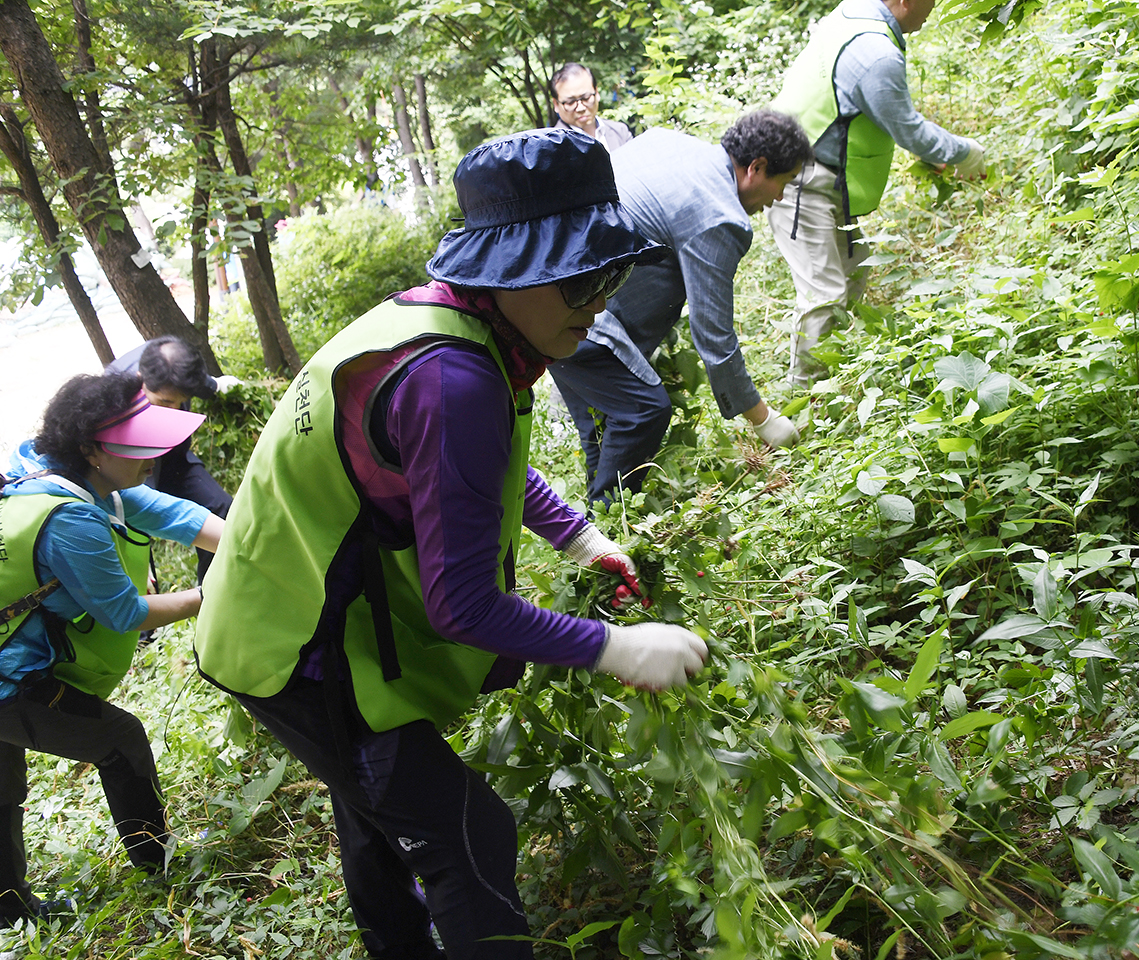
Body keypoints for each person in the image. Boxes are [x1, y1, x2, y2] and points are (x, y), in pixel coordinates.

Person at [192, 128, 709, 960]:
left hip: (280, 612)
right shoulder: (453, 377)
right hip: (296, 646)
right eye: (580, 279)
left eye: (609, 273)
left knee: (374, 816)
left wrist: (577, 535)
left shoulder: (456, 327)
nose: (600, 300)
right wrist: (614, 648)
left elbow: (478, 469)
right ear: (509, 271)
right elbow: (462, 603)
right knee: (466, 831)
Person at [0, 373, 223, 925]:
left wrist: (256, 545)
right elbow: (125, 611)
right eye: (136, 445)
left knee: (1, 783)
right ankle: (161, 870)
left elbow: (180, 516)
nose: (153, 455)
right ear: (91, 450)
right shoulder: (71, 519)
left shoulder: (73, 481)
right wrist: (214, 593)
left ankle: (8, 911)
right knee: (118, 740)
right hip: (8, 684)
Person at [548, 109, 813, 505]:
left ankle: (601, 537)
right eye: (783, 183)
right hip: (583, 315)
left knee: (603, 442)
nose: (777, 199)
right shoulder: (719, 216)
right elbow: (714, 336)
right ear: (756, 168)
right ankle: (608, 542)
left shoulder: (668, 143)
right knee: (644, 413)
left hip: (545, 296)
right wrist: (764, 418)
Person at [768, 0, 987, 384]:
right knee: (825, 295)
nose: (933, 8)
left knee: (853, 277)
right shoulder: (875, 52)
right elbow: (910, 130)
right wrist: (966, 155)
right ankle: (803, 401)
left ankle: (834, 379)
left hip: (830, 177)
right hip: (801, 181)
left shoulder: (855, 12)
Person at [107, 336, 240, 579]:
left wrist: (218, 386)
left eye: (181, 402)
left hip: (174, 459)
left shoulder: (182, 375)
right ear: (141, 381)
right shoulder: (113, 403)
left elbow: (202, 383)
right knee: (136, 543)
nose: (175, 411)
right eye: (165, 402)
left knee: (221, 510)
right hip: (129, 474)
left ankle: (212, 589)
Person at [550, 62, 633, 152]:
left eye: (586, 98)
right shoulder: (552, 146)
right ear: (556, 104)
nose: (580, 108)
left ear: (596, 93)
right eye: (571, 102)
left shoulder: (620, 132)